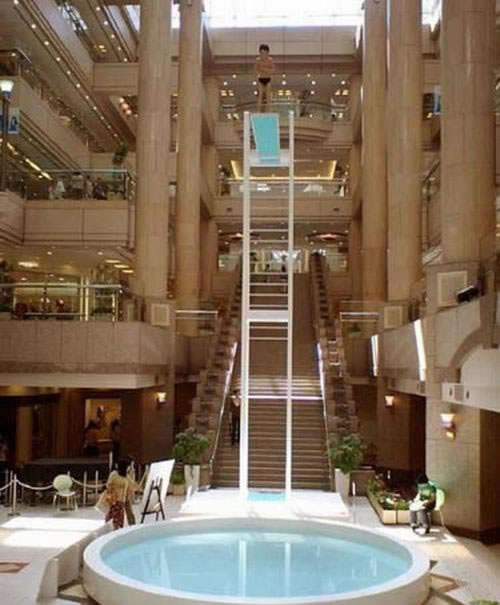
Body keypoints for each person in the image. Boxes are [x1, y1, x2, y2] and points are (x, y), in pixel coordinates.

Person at [255, 44, 275, 113]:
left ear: (268, 53)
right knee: (260, 95)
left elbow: (272, 70)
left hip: (268, 79)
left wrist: (263, 69)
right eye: (262, 53)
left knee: (268, 96)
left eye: (265, 53)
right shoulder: (258, 60)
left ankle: (269, 111)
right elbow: (256, 70)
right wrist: (264, 70)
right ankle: (258, 111)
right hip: (261, 79)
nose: (263, 55)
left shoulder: (270, 60)